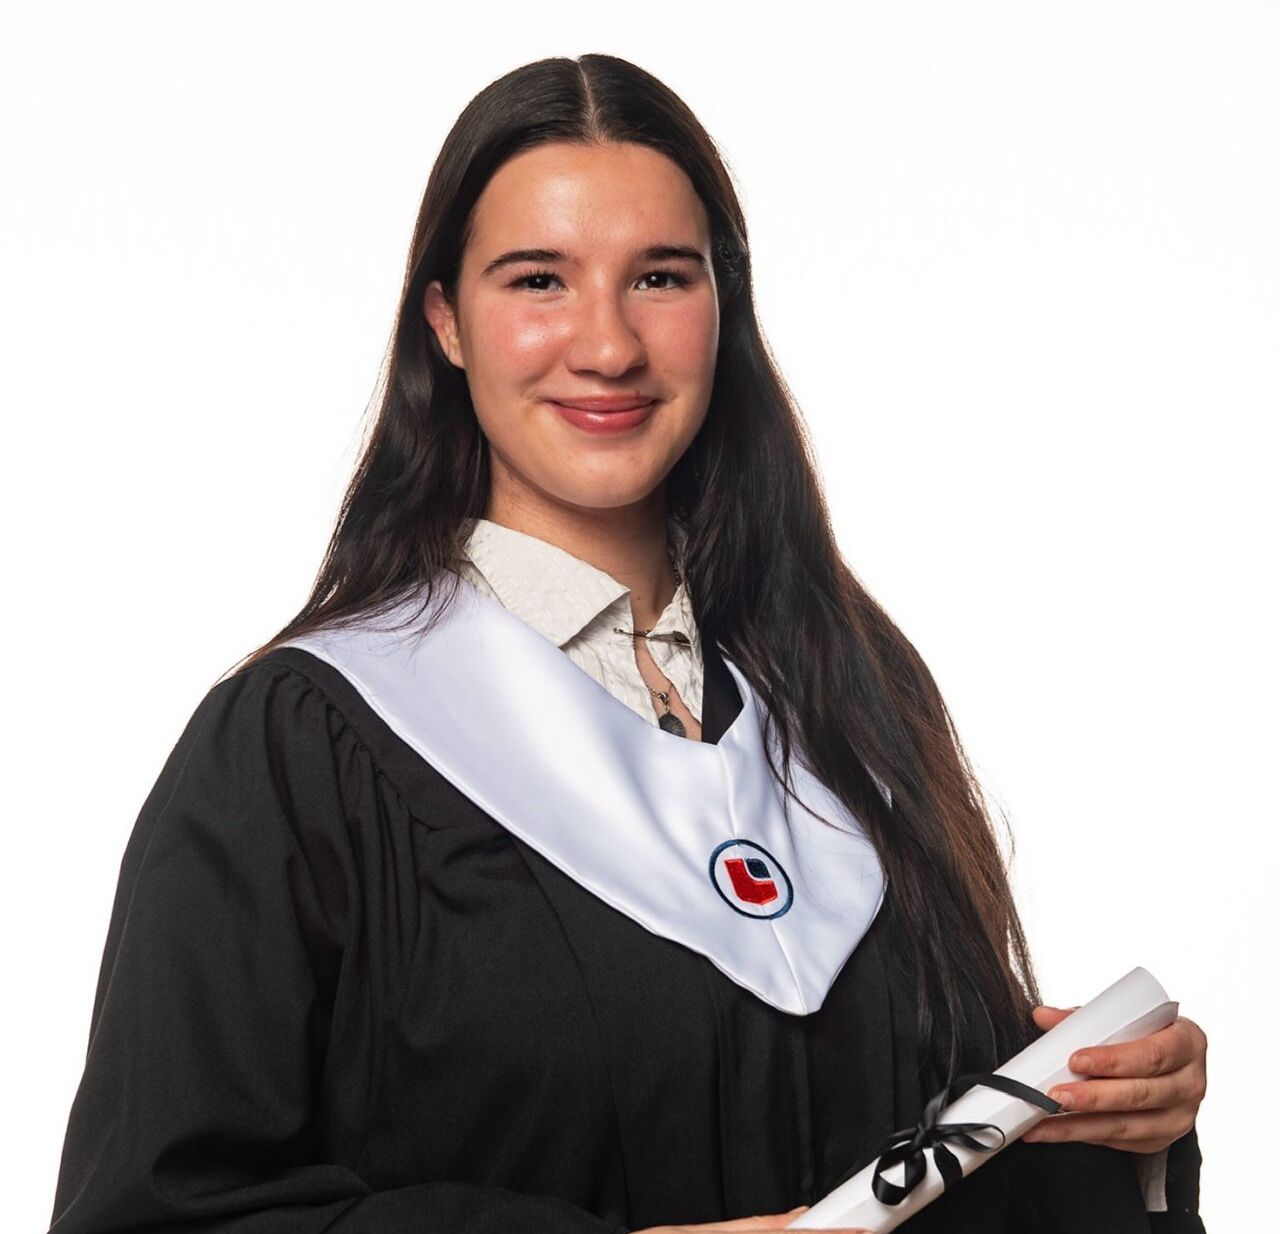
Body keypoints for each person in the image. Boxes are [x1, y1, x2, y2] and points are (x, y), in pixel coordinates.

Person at [46, 54, 1208, 1234]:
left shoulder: (843, 693)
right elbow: (160, 1217)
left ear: (722, 306)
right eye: (537, 279)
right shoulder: (304, 750)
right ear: (445, 321)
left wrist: (1115, 1120)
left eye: (658, 276)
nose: (606, 346)